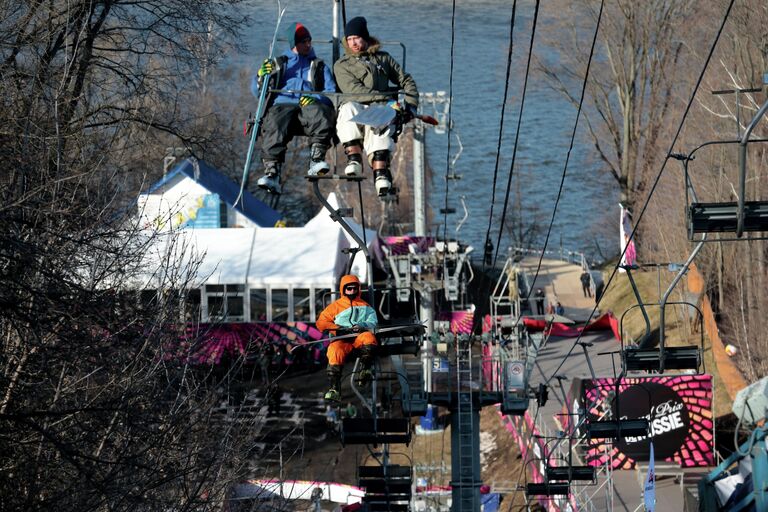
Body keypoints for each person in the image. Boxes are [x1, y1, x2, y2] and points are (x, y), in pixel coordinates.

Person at [333, 16, 419, 197]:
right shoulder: (342, 65)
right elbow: (355, 91)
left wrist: (410, 106)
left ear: (365, 37)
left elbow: (406, 80)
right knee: (348, 109)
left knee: (382, 118)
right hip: (358, 106)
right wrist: (387, 98)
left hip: (379, 109)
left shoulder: (383, 59)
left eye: (356, 38)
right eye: (349, 39)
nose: (353, 43)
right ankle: (354, 159)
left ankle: (380, 173)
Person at [250, 22, 337, 194]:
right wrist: (261, 76)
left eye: (309, 41)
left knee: (320, 114)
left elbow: (331, 92)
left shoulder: (318, 66)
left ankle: (316, 159)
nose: (308, 45)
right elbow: (258, 92)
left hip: (309, 103)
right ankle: (272, 171)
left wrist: (315, 98)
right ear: (294, 44)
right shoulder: (278, 64)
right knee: (275, 121)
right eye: (303, 41)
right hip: (284, 102)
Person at [316, 274, 378, 401]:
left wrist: (362, 325)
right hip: (342, 338)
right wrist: (337, 329)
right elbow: (321, 322)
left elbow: (373, 321)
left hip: (358, 337)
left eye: (355, 288)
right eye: (349, 288)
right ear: (343, 289)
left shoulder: (365, 306)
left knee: (369, 338)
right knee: (334, 351)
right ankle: (334, 388)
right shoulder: (335, 306)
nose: (352, 291)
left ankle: (364, 369)